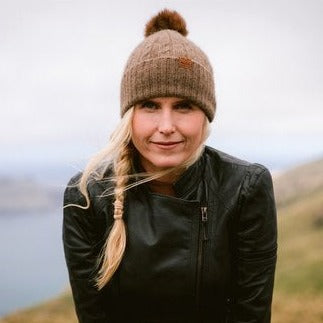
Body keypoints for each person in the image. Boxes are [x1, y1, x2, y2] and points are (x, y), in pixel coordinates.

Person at [63, 9, 277, 323]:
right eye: (150, 105)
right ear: (129, 116)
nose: (166, 126)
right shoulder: (87, 196)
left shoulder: (245, 188)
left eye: (183, 106)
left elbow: (252, 314)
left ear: (205, 116)